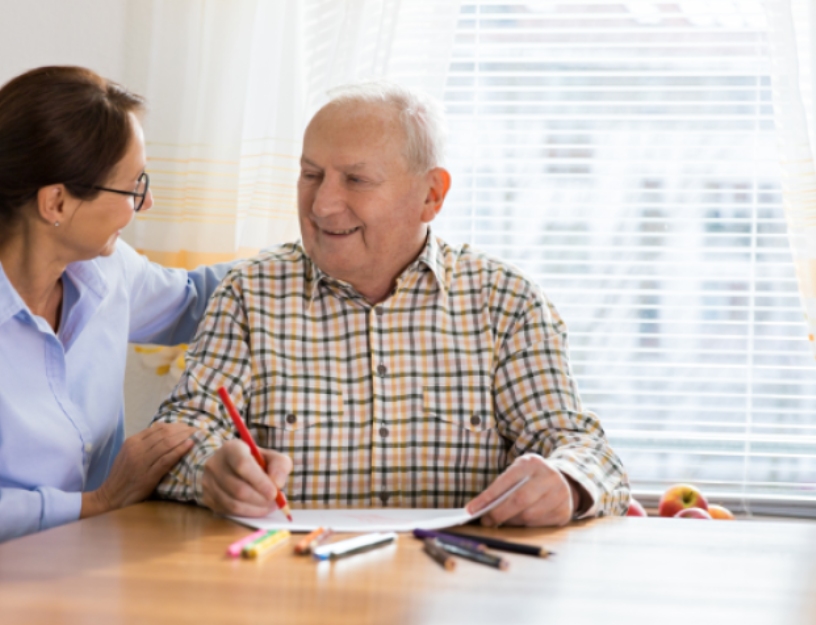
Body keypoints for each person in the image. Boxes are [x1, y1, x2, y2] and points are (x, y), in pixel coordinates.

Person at [153, 81, 629, 526]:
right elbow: (176, 438)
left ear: (430, 195)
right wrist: (208, 470)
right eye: (311, 174)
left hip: (455, 592)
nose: (321, 205)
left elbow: (584, 449)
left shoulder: (506, 303)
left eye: (356, 180)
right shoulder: (247, 294)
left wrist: (566, 483)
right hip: (289, 588)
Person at [0, 66, 228, 582]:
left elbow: (197, 301)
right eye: (132, 187)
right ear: (56, 203)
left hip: (61, 578)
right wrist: (101, 501)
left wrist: (309, 252)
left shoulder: (105, 270)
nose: (144, 203)